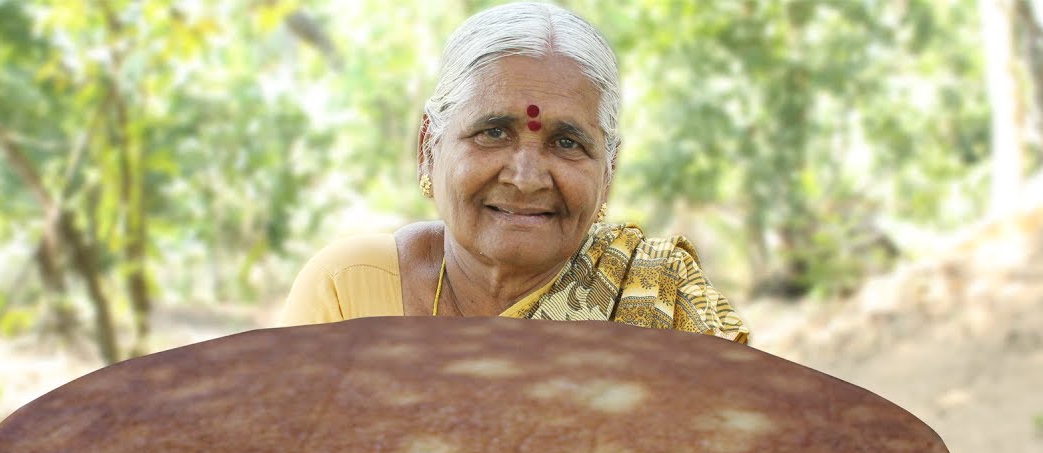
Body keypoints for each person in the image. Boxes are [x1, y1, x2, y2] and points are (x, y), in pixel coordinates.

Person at [278, 2, 749, 343]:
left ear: (608, 170)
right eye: (493, 133)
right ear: (429, 146)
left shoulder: (660, 301)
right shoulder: (350, 289)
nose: (526, 178)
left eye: (567, 143)